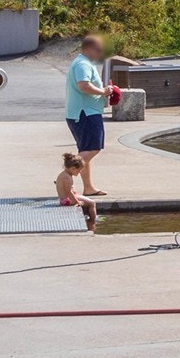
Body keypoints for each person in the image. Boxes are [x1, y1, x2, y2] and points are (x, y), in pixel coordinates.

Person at [64, 35, 112, 197]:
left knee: (85, 151)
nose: (100, 53)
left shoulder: (81, 63)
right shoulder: (82, 64)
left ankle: (88, 187)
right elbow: (84, 85)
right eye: (98, 50)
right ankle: (64, 176)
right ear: (88, 49)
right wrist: (104, 92)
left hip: (80, 113)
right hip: (86, 113)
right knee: (93, 148)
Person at [55, 153, 98, 228]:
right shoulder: (67, 177)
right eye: (79, 170)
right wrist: (77, 201)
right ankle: (93, 221)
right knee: (92, 203)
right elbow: (69, 192)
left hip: (63, 199)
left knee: (85, 201)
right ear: (73, 168)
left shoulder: (63, 174)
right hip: (67, 200)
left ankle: (87, 219)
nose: (79, 172)